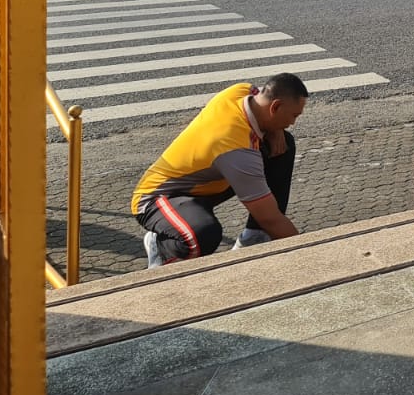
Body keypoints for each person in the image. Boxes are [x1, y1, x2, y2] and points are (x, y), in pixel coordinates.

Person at [131, 74, 308, 269]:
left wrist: (275, 130)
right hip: (157, 199)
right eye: (294, 116)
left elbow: (257, 97)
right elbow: (270, 218)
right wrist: (308, 255)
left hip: (204, 184)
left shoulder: (241, 91)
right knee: (201, 236)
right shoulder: (235, 149)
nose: (293, 123)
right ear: (275, 107)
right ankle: (161, 245)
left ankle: (255, 237)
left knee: (284, 145)